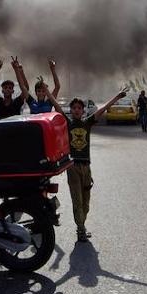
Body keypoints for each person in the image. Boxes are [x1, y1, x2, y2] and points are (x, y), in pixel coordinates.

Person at [54, 89, 127, 243]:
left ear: (83, 110)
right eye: (73, 108)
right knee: (77, 200)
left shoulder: (87, 123)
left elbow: (103, 109)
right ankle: (80, 229)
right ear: (71, 110)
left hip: (86, 166)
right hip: (73, 166)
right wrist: (47, 91)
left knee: (86, 201)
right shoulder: (67, 122)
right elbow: (56, 106)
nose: (76, 110)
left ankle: (82, 225)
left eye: (79, 108)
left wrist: (117, 96)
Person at [0, 56, 29, 121]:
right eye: (5, 87)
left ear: (13, 91)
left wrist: (17, 70)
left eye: (10, 88)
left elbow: (26, 88)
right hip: (0, 129)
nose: (8, 89)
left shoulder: (16, 102)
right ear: (2, 91)